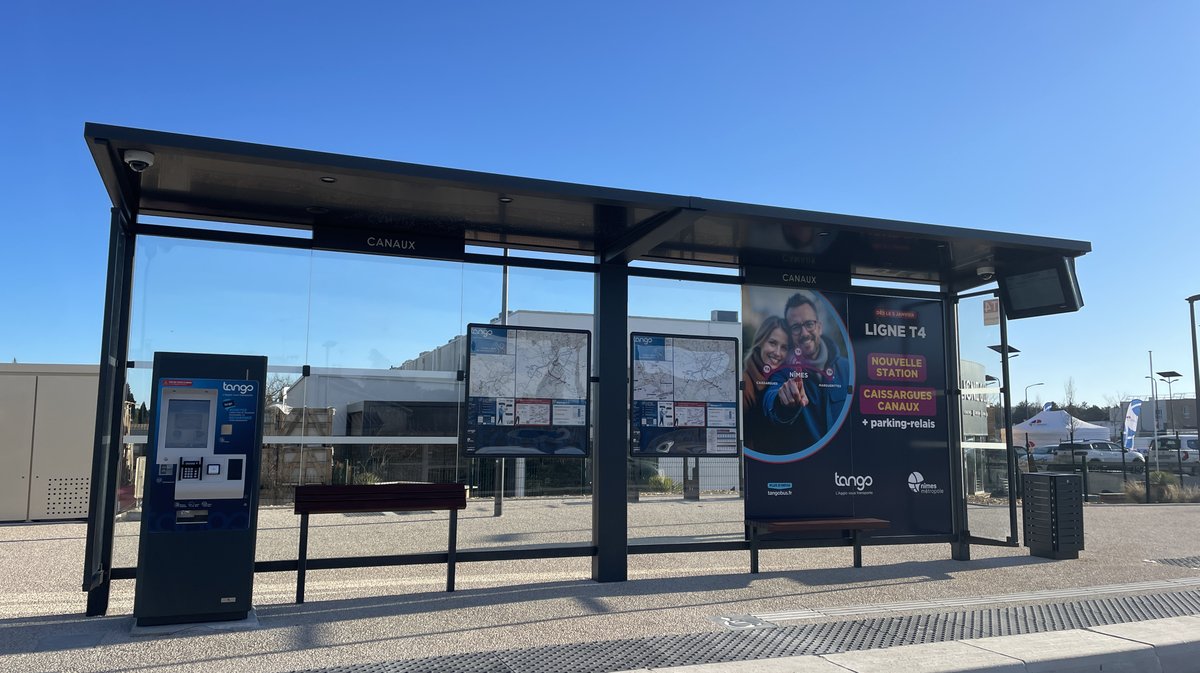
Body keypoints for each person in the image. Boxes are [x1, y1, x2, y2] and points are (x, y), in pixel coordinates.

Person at [762, 292, 851, 448]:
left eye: (809, 324)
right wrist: (782, 401)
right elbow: (771, 399)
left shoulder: (848, 368)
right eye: (796, 327)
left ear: (819, 327)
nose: (804, 333)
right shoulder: (783, 373)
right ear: (789, 334)